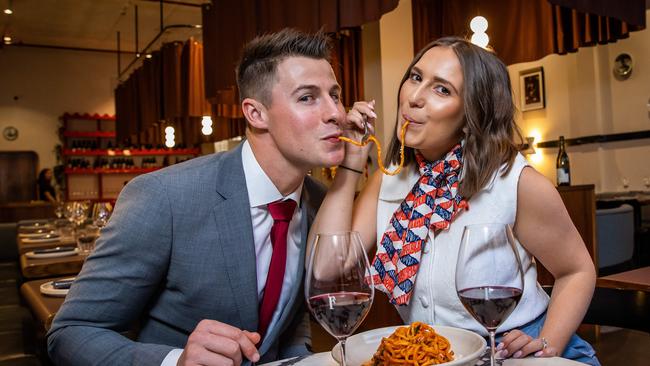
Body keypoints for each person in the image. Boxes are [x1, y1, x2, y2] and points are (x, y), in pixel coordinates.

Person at [47, 28, 347, 366]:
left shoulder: (321, 202)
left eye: (335, 95)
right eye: (308, 97)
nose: (336, 113)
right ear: (255, 113)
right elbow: (71, 332)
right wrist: (176, 361)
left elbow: (290, 321)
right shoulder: (164, 197)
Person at [310, 37, 599, 365]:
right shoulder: (388, 178)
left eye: (442, 89)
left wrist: (547, 342)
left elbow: (577, 270)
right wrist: (350, 165)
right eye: (416, 77)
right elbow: (325, 270)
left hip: (515, 351)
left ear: (472, 111)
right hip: (435, 354)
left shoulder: (515, 182)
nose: (414, 98)